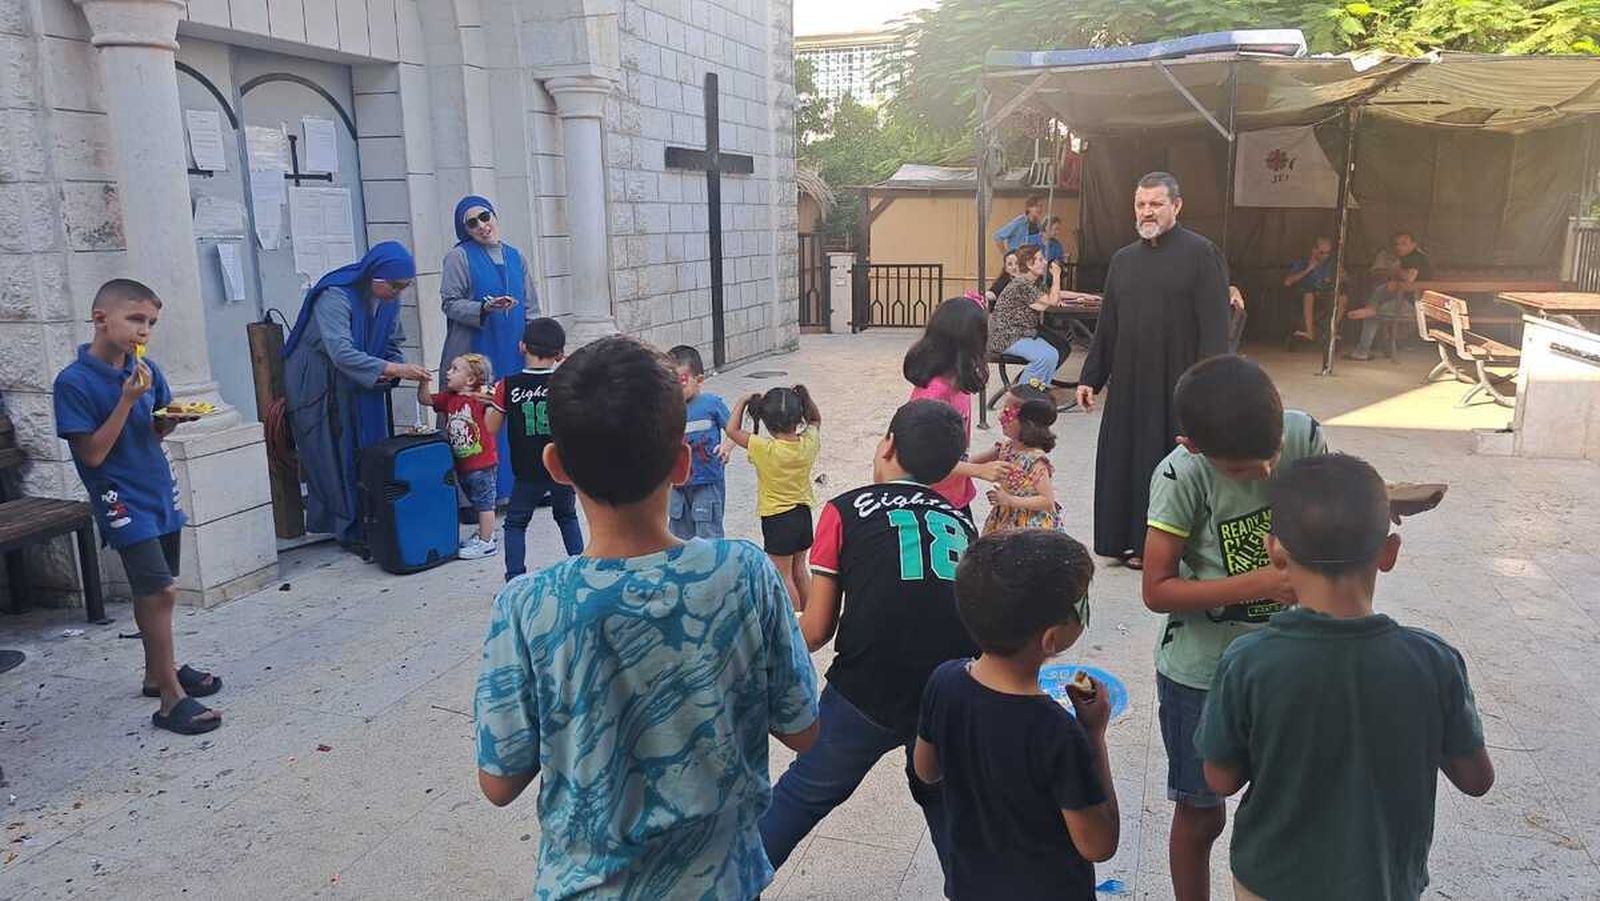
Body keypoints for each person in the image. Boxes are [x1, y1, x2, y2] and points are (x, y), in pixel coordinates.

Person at [473, 335, 820, 899]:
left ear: (556, 465)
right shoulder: (745, 573)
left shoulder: (529, 605)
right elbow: (803, 728)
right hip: (723, 882)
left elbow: (499, 779)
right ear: (683, 462)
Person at [1197, 453, 1494, 901]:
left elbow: (1220, 779)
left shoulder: (1250, 661)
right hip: (1385, 883)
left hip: (1272, 883)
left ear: (1274, 549)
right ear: (1388, 553)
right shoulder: (1432, 661)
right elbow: (1476, 779)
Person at [761, 399, 978, 873]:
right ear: (947, 470)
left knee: (802, 795)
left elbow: (817, 629)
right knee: (946, 804)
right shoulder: (961, 521)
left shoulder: (844, 510)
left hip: (867, 690)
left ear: (887, 446)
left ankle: (734, 884)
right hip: (951, 691)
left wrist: (762, 648)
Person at [1139, 355, 1324, 901]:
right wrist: (1260, 585)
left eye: (1270, 459)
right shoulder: (1180, 474)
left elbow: (1330, 507)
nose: (1266, 476)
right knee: (1201, 814)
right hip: (1203, 674)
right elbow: (1156, 590)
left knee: (1283, 807)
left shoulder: (1301, 434)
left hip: (1289, 662)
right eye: (1243, 471)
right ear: (1192, 445)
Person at [913, 529, 1119, 901]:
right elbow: (1099, 844)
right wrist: (1094, 735)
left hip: (970, 886)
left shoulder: (944, 682)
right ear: (1051, 639)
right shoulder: (1057, 733)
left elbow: (926, 770)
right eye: (1081, 604)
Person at [54, 279, 221, 735]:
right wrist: (127, 401)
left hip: (156, 489)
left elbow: (152, 428)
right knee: (159, 591)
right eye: (135, 319)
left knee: (160, 589)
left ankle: (156, 672)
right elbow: (91, 454)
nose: (143, 330)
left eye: (150, 322)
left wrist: (170, 421)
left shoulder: (148, 370)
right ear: (100, 318)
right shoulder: (74, 382)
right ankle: (170, 698)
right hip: (120, 498)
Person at [1076, 172, 1231, 570]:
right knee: (1127, 459)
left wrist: (1209, 391)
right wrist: (1091, 377)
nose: (1147, 212)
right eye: (1141, 205)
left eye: (1156, 204)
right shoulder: (1123, 260)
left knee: (1169, 464)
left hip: (1177, 385)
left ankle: (1163, 549)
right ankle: (1124, 539)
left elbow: (1215, 330)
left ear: (1176, 206)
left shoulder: (1202, 254)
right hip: (1129, 384)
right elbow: (1108, 324)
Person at [283, 242, 431, 548]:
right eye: (395, 285)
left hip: (362, 378)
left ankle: (372, 518)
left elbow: (393, 339)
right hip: (318, 380)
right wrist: (394, 369)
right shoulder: (335, 295)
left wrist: (394, 364)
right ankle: (344, 524)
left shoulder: (388, 299)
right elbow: (340, 351)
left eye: (405, 286)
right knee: (331, 452)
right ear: (375, 277)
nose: (399, 292)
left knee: (367, 446)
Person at [440, 195, 541, 500]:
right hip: (476, 353)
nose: (482, 226)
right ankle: (478, 497)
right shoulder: (459, 257)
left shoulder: (515, 256)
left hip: (514, 349)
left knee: (516, 416)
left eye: (485, 217)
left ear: (494, 215)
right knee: (475, 419)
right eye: (472, 223)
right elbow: (449, 302)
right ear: (465, 230)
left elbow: (531, 306)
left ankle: (522, 486)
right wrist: (484, 308)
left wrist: (534, 341)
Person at [488, 318, 582, 580]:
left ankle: (515, 578)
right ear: (560, 354)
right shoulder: (568, 383)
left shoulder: (507, 385)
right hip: (562, 467)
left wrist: (489, 403)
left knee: (516, 523)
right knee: (566, 515)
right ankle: (581, 568)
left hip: (527, 469)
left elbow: (491, 426)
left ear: (522, 347)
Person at [904, 297, 1013, 517]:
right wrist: (979, 471)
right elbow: (925, 460)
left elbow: (951, 457)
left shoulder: (958, 385)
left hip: (954, 495)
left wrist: (990, 455)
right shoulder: (933, 396)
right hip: (928, 502)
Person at [726, 385, 822, 612]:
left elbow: (732, 430)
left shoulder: (764, 448)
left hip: (778, 518)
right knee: (800, 570)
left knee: (783, 576)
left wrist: (742, 400)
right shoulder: (808, 442)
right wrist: (804, 395)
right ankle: (810, 619)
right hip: (802, 514)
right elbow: (816, 420)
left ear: (766, 422)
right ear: (799, 417)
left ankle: (795, 623)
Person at [418, 353, 502, 559]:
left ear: (471, 379)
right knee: (477, 502)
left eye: (455, 369)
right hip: (463, 464)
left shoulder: (481, 399)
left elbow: (498, 396)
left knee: (485, 504)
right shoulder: (449, 398)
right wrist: (423, 383)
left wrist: (488, 392)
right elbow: (426, 399)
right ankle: (485, 533)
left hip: (483, 463)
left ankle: (487, 542)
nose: (448, 372)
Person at [988, 246, 1097, 389]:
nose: (1045, 262)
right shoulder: (1022, 284)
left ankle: (1037, 390)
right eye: (1040, 259)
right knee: (1046, 356)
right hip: (1008, 336)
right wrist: (1057, 275)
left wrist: (1084, 296)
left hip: (1022, 332)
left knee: (1055, 351)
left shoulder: (1032, 282)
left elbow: (1055, 293)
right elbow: (1052, 300)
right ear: (1028, 264)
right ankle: (1021, 397)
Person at [976, 382, 1062, 534]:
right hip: (1005, 519)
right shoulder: (1005, 447)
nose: (1000, 417)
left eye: (1007, 413)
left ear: (1028, 424)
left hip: (1029, 528)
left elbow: (1047, 501)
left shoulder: (1035, 461)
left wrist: (1010, 500)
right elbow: (971, 464)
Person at [666, 344, 732, 541]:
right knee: (678, 534)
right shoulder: (668, 408)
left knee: (708, 533)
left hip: (707, 481)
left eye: (682, 383)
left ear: (699, 380)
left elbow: (733, 430)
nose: (676, 390)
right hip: (678, 484)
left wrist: (727, 447)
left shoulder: (712, 404)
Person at [1347, 231, 1432, 361]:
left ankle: (1362, 351)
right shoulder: (1406, 258)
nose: (1399, 247)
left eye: (1404, 244)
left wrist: (1396, 270)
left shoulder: (1415, 258)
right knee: (1379, 294)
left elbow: (1409, 279)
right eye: (1397, 244)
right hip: (1403, 301)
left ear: (1414, 245)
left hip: (1416, 305)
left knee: (1372, 316)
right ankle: (1371, 309)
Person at [1283, 236, 1346, 342]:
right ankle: (1309, 333)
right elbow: (1287, 282)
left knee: (1343, 297)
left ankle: (1330, 331)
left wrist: (1342, 275)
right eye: (1322, 252)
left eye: (1328, 253)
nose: (1325, 256)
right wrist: (1308, 269)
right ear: (1314, 250)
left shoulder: (1331, 264)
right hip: (1303, 296)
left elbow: (1346, 280)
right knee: (1309, 294)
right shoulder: (1302, 262)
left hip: (1324, 296)